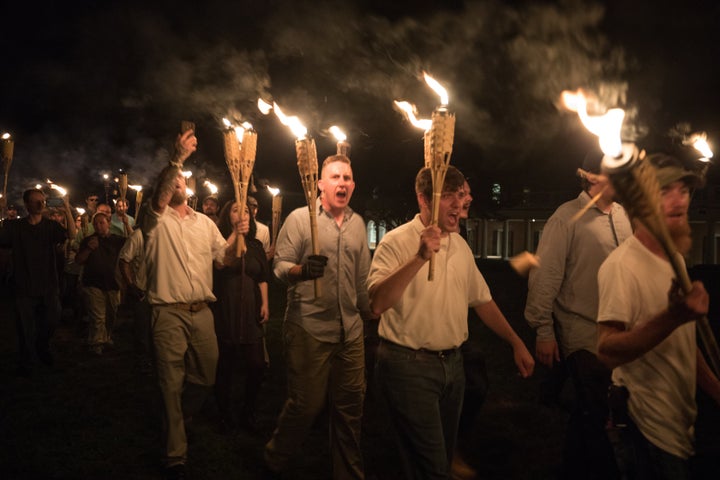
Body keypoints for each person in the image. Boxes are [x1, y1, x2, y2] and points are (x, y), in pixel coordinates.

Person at [367, 166, 535, 479]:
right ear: (423, 200)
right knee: (432, 467)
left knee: (438, 460)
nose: (460, 204)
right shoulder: (395, 242)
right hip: (408, 368)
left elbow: (481, 300)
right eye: (449, 196)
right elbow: (377, 303)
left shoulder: (460, 246)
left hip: (453, 368)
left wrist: (516, 342)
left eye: (462, 196)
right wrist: (419, 257)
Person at [597, 152, 720, 479]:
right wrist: (673, 317)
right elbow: (606, 350)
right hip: (645, 429)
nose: (679, 200)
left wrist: (716, 390)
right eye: (665, 191)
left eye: (683, 190)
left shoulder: (674, 260)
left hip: (680, 424)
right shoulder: (622, 266)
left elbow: (682, 345)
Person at [524, 150, 632, 479]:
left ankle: (572, 468)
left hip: (619, 334)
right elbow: (544, 277)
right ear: (592, 178)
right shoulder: (565, 218)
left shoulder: (623, 215)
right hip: (582, 334)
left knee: (592, 414)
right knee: (598, 414)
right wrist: (543, 330)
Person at [264, 154, 372, 479]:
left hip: (350, 332)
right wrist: (301, 271)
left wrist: (371, 313)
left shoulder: (357, 224)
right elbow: (280, 266)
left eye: (348, 178)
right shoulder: (300, 219)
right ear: (320, 185)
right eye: (336, 177)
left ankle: (348, 473)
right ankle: (275, 458)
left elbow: (362, 280)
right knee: (306, 406)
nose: (343, 183)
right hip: (309, 328)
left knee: (350, 410)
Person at [141, 128, 233, 480]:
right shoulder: (154, 220)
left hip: (202, 314)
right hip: (167, 313)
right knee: (169, 381)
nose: (180, 181)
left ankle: (180, 416)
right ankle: (175, 454)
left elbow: (224, 260)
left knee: (205, 377)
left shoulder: (205, 223)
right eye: (174, 179)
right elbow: (159, 196)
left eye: (182, 178)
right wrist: (177, 158)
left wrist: (241, 233)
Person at [0, 188, 76, 376]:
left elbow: (72, 235)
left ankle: (42, 347)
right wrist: (1, 211)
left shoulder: (50, 226)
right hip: (24, 285)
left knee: (52, 319)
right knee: (25, 328)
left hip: (48, 285)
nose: (41, 204)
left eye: (42, 201)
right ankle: (28, 360)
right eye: (36, 201)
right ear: (27, 204)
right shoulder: (15, 227)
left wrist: (67, 208)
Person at [213, 200, 270, 434]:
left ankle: (249, 410)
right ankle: (224, 412)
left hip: (250, 309)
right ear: (228, 215)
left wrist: (265, 302)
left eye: (245, 210)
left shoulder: (256, 245)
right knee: (225, 363)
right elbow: (219, 264)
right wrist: (235, 236)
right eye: (236, 209)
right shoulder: (219, 240)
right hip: (227, 306)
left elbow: (263, 276)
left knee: (256, 365)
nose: (242, 213)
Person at [75, 211, 126, 355]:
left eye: (101, 222)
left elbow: (131, 245)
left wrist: (128, 226)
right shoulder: (88, 240)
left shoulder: (117, 241)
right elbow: (79, 260)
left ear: (108, 223)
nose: (98, 226)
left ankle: (106, 336)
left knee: (111, 314)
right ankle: (96, 343)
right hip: (93, 284)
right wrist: (89, 248)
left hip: (113, 284)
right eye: (95, 223)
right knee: (98, 316)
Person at [118, 225, 153, 373]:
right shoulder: (139, 235)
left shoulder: (168, 233)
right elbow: (124, 260)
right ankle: (142, 361)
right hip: (143, 292)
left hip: (164, 293)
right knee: (143, 329)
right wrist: (131, 285)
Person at [247, 195, 272, 259]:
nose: (252, 210)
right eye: (250, 207)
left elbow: (265, 254)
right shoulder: (236, 227)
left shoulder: (264, 229)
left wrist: (270, 255)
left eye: (255, 207)